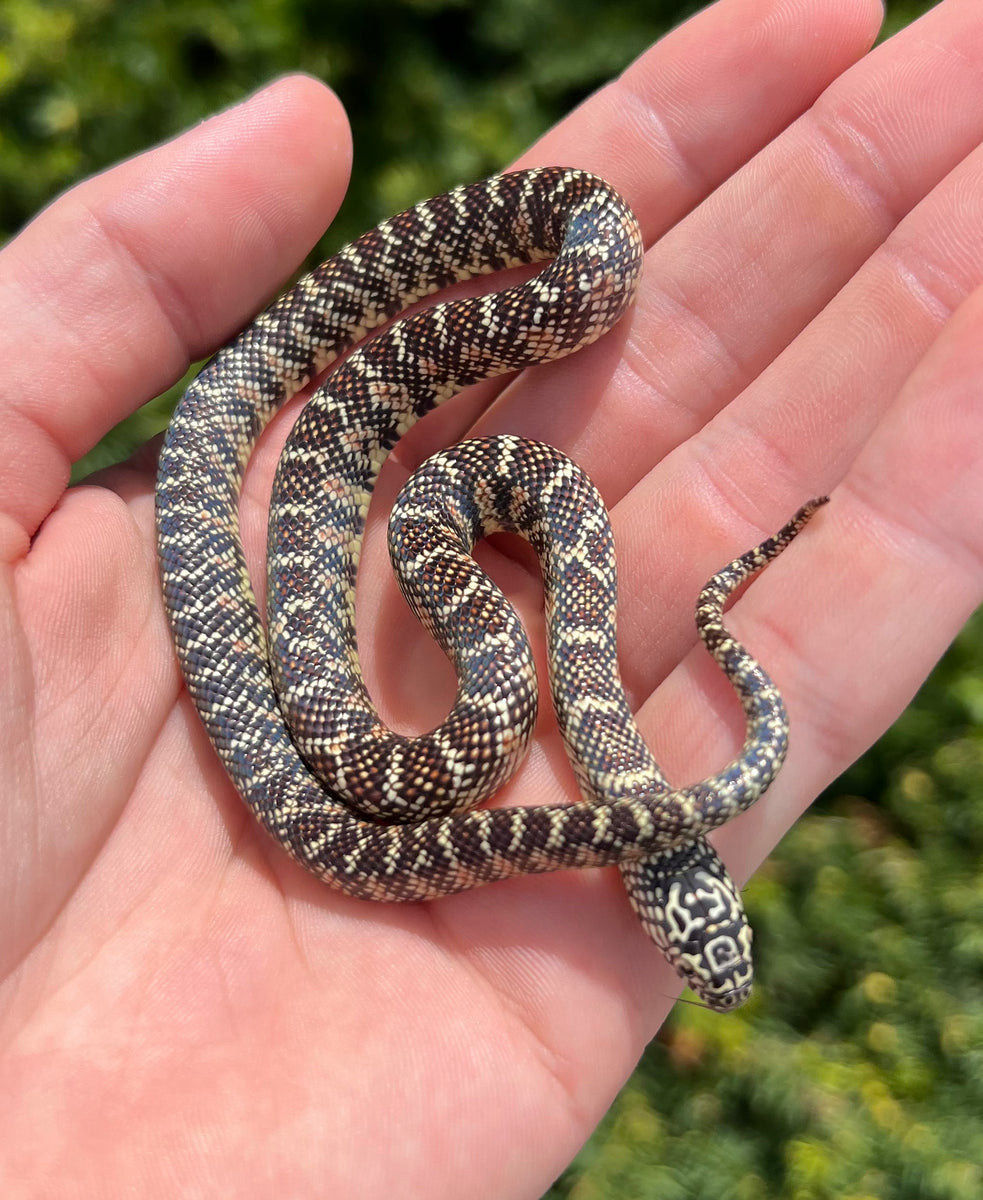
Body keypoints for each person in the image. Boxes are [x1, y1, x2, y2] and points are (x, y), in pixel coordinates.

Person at [2, 0, 982, 1193]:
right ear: (643, 865)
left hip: (512, 384)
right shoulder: (448, 550)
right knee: (266, 425)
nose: (693, 962)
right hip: (410, 460)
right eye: (685, 918)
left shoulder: (530, 543)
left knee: (583, 263)